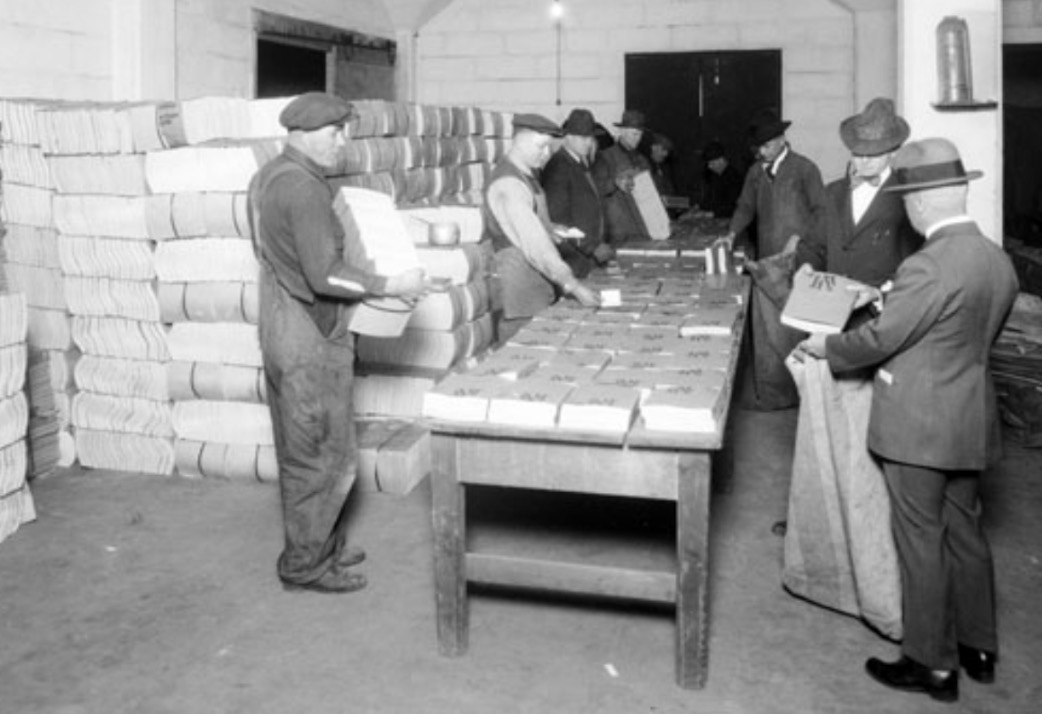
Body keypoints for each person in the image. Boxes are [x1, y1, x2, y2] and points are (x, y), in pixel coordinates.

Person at [795, 138, 1019, 703]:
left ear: (919, 203)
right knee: (965, 532)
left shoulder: (927, 263)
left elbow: (883, 338)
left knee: (919, 540)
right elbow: (961, 330)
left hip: (918, 426)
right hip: (969, 416)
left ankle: (931, 662)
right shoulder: (994, 257)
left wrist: (830, 347)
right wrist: (892, 295)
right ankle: (979, 647)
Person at [248, 92, 428, 594]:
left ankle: (320, 543)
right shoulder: (303, 189)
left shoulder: (266, 176)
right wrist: (389, 285)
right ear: (304, 134)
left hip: (281, 324)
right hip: (310, 339)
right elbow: (325, 275)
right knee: (323, 453)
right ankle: (306, 564)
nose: (342, 141)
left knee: (301, 444)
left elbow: (272, 255)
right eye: (335, 132)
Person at [717, 109, 828, 410]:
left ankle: (800, 395)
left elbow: (821, 211)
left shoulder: (805, 169)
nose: (761, 152)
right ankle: (772, 395)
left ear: (781, 140)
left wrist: (800, 239)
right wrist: (731, 233)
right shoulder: (756, 172)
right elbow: (745, 207)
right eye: (758, 148)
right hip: (767, 263)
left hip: (798, 263)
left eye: (766, 146)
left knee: (794, 327)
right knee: (767, 330)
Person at [794, 98, 922, 310]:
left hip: (883, 316)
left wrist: (880, 294)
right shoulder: (833, 193)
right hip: (833, 309)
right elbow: (813, 245)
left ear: (893, 152)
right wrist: (807, 265)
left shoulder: (907, 196)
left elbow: (917, 266)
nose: (864, 161)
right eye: (858, 153)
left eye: (874, 153)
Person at [483, 113, 600, 342]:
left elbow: (534, 223)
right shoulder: (510, 184)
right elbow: (536, 246)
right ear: (519, 141)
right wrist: (573, 285)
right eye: (541, 147)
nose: (546, 154)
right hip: (520, 291)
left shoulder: (527, 176)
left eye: (548, 147)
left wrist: (551, 229)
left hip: (536, 284)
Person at [541, 108, 614, 278]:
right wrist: (591, 246)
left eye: (591, 137)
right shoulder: (559, 167)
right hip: (573, 259)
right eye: (583, 138)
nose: (588, 143)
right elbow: (558, 219)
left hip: (587, 257)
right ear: (568, 137)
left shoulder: (580, 163)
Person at [592, 109, 653, 244]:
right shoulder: (605, 157)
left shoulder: (643, 161)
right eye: (634, 134)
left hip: (642, 229)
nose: (637, 139)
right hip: (618, 232)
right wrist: (615, 183)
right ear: (622, 132)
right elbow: (596, 188)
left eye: (640, 135)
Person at [693, 139, 742, 219]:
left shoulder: (734, 178)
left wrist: (707, 214)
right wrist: (698, 207)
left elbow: (733, 208)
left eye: (711, 163)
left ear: (721, 160)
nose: (709, 166)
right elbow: (710, 198)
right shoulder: (715, 176)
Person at [647, 132, 677, 198]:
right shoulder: (644, 165)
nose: (665, 154)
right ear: (653, 147)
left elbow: (671, 192)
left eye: (667, 151)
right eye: (663, 149)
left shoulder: (666, 169)